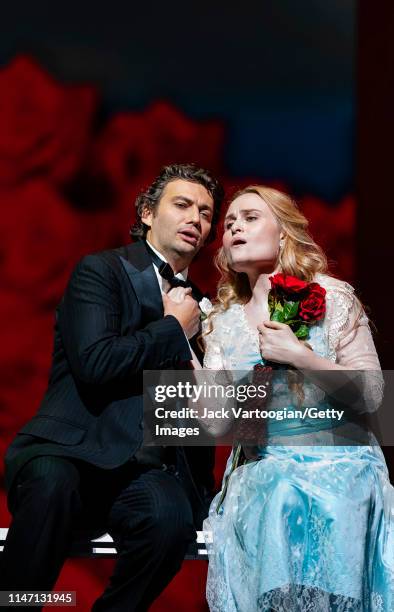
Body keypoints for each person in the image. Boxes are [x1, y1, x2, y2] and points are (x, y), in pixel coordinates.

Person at [0, 163, 224, 611]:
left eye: (205, 213)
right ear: (146, 213)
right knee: (52, 489)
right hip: (68, 450)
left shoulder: (204, 307)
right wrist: (170, 329)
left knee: (169, 519)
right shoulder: (101, 271)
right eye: (182, 205)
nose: (195, 219)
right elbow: (96, 363)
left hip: (142, 471)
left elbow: (197, 416)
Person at [201, 186, 394, 611]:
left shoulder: (331, 295)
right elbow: (216, 424)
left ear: (284, 233)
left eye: (250, 217)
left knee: (297, 492)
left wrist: (300, 356)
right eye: (229, 222)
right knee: (277, 489)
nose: (234, 226)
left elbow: (373, 394)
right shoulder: (224, 322)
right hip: (268, 469)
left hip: (340, 463)